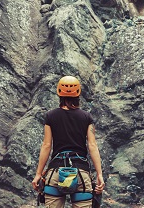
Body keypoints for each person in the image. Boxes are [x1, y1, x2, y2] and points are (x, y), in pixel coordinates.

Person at [32, 76, 105, 207]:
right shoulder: (87, 117)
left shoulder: (50, 116)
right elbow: (92, 146)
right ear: (78, 93)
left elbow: (47, 145)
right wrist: (99, 174)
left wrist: (38, 174)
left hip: (55, 172)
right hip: (81, 173)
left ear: (59, 93)